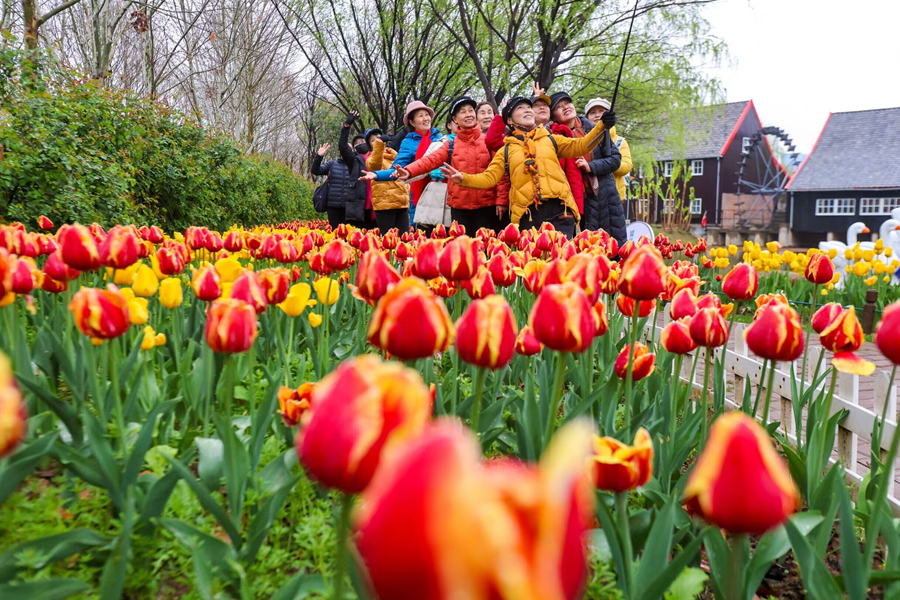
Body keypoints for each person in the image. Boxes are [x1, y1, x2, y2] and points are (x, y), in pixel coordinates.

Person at [441, 97, 616, 239]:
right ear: (509, 120)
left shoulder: (551, 139)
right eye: (520, 108)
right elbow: (489, 178)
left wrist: (602, 125)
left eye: (528, 107)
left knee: (562, 267)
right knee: (535, 271)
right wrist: (463, 178)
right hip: (528, 215)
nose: (527, 110)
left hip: (561, 210)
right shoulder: (506, 149)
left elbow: (583, 145)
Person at [392, 96, 506, 234]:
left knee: (486, 251)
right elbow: (429, 161)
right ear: (455, 119)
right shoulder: (451, 144)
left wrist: (502, 200)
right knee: (461, 252)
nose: (468, 114)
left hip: (487, 207)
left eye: (471, 110)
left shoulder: (488, 142)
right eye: (463, 112)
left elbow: (501, 174)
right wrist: (409, 171)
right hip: (459, 208)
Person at [550, 91, 625, 244]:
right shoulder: (552, 138)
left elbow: (615, 159)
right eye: (559, 106)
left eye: (567, 103)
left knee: (609, 250)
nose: (565, 107)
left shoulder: (594, 130)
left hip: (603, 198)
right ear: (553, 116)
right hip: (573, 202)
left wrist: (590, 166)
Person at [361, 101, 444, 230]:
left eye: (427, 115)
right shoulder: (408, 142)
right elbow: (397, 169)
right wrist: (376, 174)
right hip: (422, 193)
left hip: (443, 191)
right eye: (420, 115)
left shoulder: (440, 138)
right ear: (412, 122)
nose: (426, 118)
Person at [311, 118, 368, 230]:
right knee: (335, 233)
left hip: (350, 206)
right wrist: (319, 156)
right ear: (340, 151)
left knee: (349, 233)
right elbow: (315, 171)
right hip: (333, 205)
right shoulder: (332, 164)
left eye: (349, 149)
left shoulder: (355, 164)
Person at [585, 98, 633, 203]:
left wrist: (608, 163)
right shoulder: (583, 142)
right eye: (592, 112)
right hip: (590, 195)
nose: (597, 115)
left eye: (601, 111)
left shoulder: (620, 142)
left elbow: (627, 166)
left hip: (614, 196)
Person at [365, 130, 411, 232]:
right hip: (384, 205)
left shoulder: (397, 156)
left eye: (379, 138)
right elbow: (375, 164)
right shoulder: (371, 159)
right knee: (389, 240)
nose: (378, 141)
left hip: (401, 203)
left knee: (405, 240)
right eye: (373, 140)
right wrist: (379, 143)